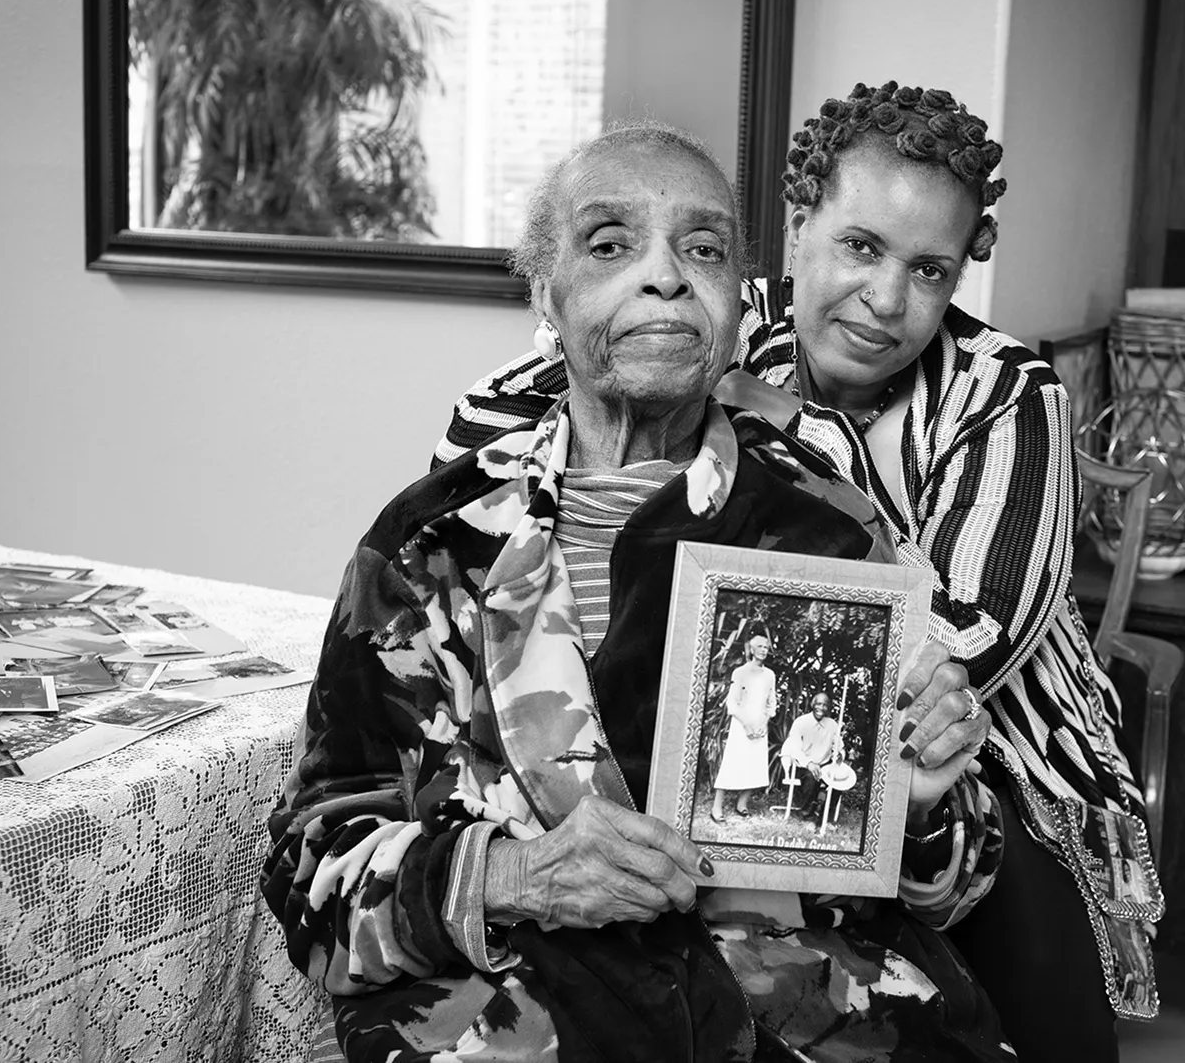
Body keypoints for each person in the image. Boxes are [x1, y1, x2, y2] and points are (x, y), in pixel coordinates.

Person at [431, 83, 1158, 1056]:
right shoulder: (724, 318)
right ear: (798, 221)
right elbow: (521, 399)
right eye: (859, 246)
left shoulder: (1005, 396)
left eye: (928, 270)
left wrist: (785, 444)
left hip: (971, 745)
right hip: (721, 726)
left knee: (1014, 977)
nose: (887, 299)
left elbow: (955, 642)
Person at [264, 121, 1015, 1063]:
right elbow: (309, 875)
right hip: (528, 1015)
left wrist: (925, 802)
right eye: (611, 243)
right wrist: (515, 875)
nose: (665, 275)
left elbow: (958, 885)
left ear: (740, 304)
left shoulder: (828, 531)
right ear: (546, 288)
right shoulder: (431, 545)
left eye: (702, 249)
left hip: (814, 1017)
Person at [710, 633, 778, 820]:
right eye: (760, 647)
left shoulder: (770, 675)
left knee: (755, 765)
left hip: (760, 728)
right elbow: (732, 704)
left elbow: (771, 704)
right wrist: (747, 725)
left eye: (766, 647)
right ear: (752, 649)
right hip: (741, 726)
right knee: (731, 763)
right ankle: (717, 807)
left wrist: (764, 724)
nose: (764, 650)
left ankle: (742, 803)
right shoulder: (740, 673)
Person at [779, 691, 843, 818]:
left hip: (824, 765)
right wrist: (809, 763)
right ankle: (807, 813)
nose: (821, 708)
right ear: (813, 705)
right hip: (801, 765)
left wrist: (841, 754)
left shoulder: (832, 725)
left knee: (839, 779)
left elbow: (840, 747)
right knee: (811, 776)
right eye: (818, 704)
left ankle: (825, 814)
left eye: (825, 705)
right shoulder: (801, 722)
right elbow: (794, 749)